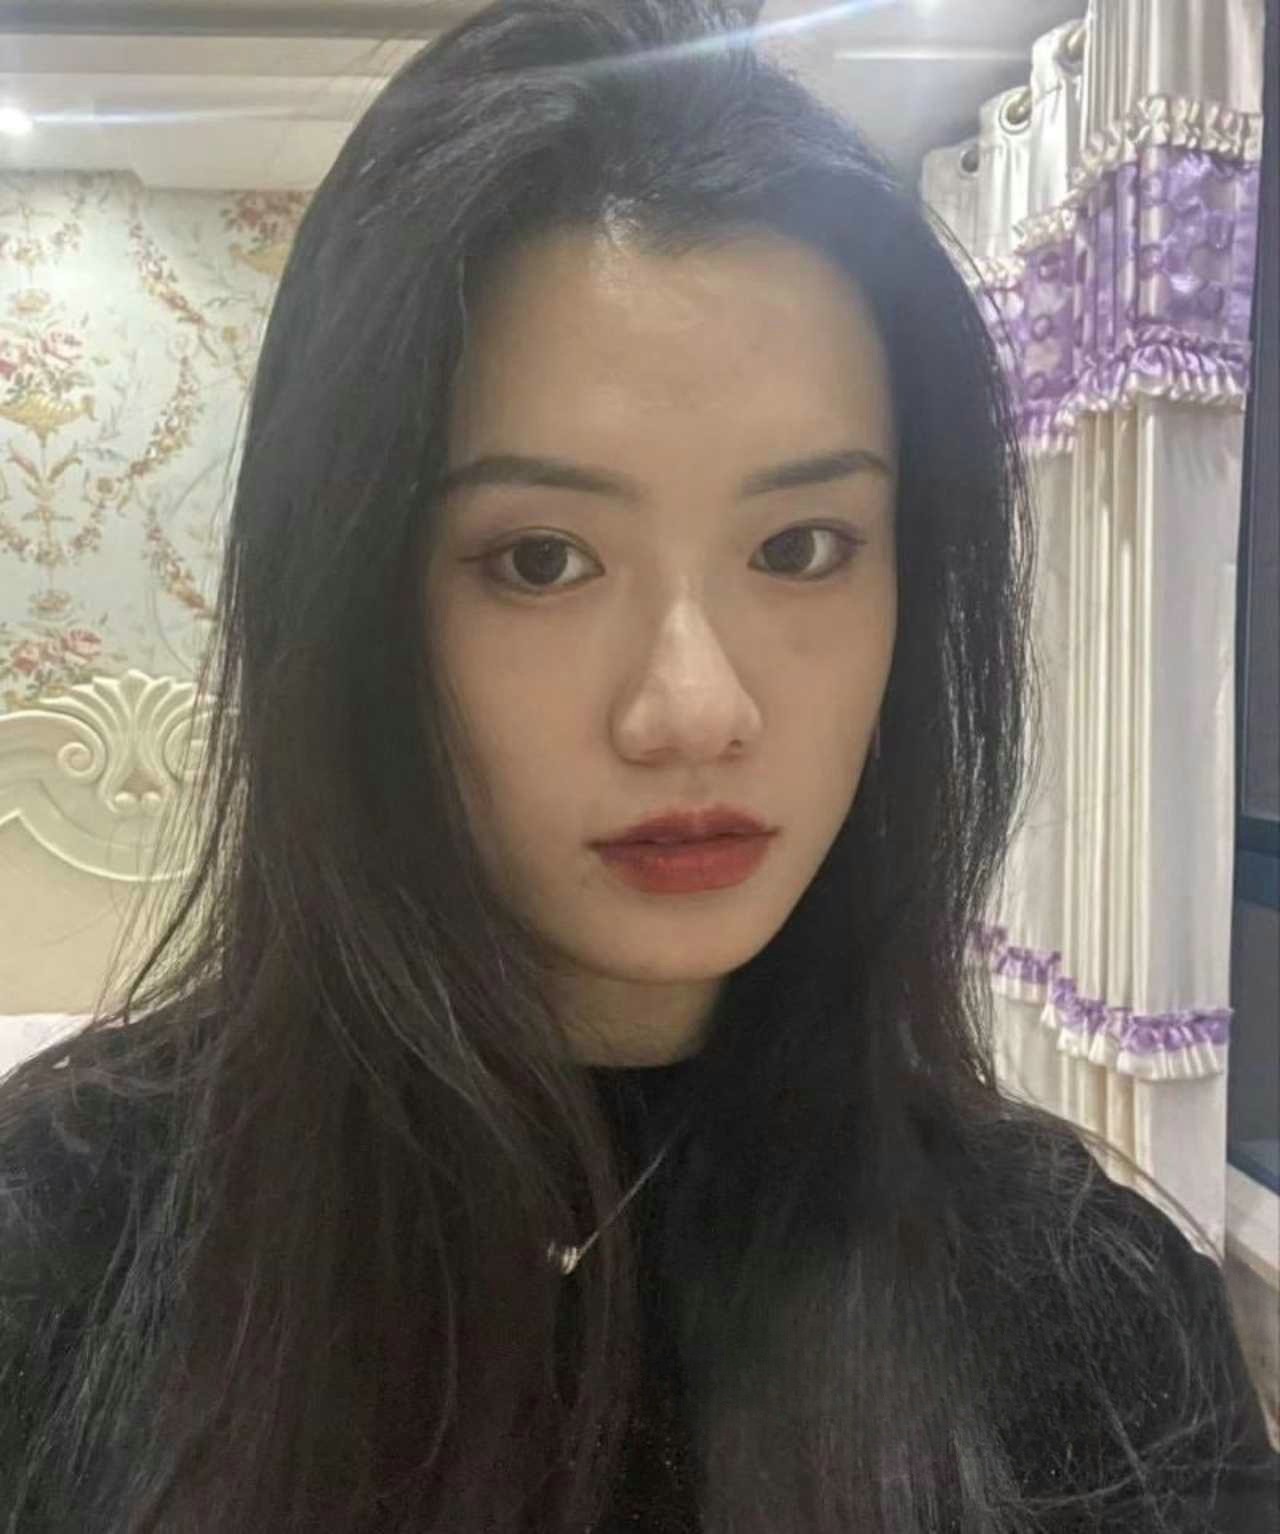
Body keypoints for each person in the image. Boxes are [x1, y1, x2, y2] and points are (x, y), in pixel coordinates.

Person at [1, 2, 1276, 1529]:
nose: (693, 707)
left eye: (801, 547)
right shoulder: (63, 1244)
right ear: (354, 607)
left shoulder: (1092, 1319)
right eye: (542, 559)